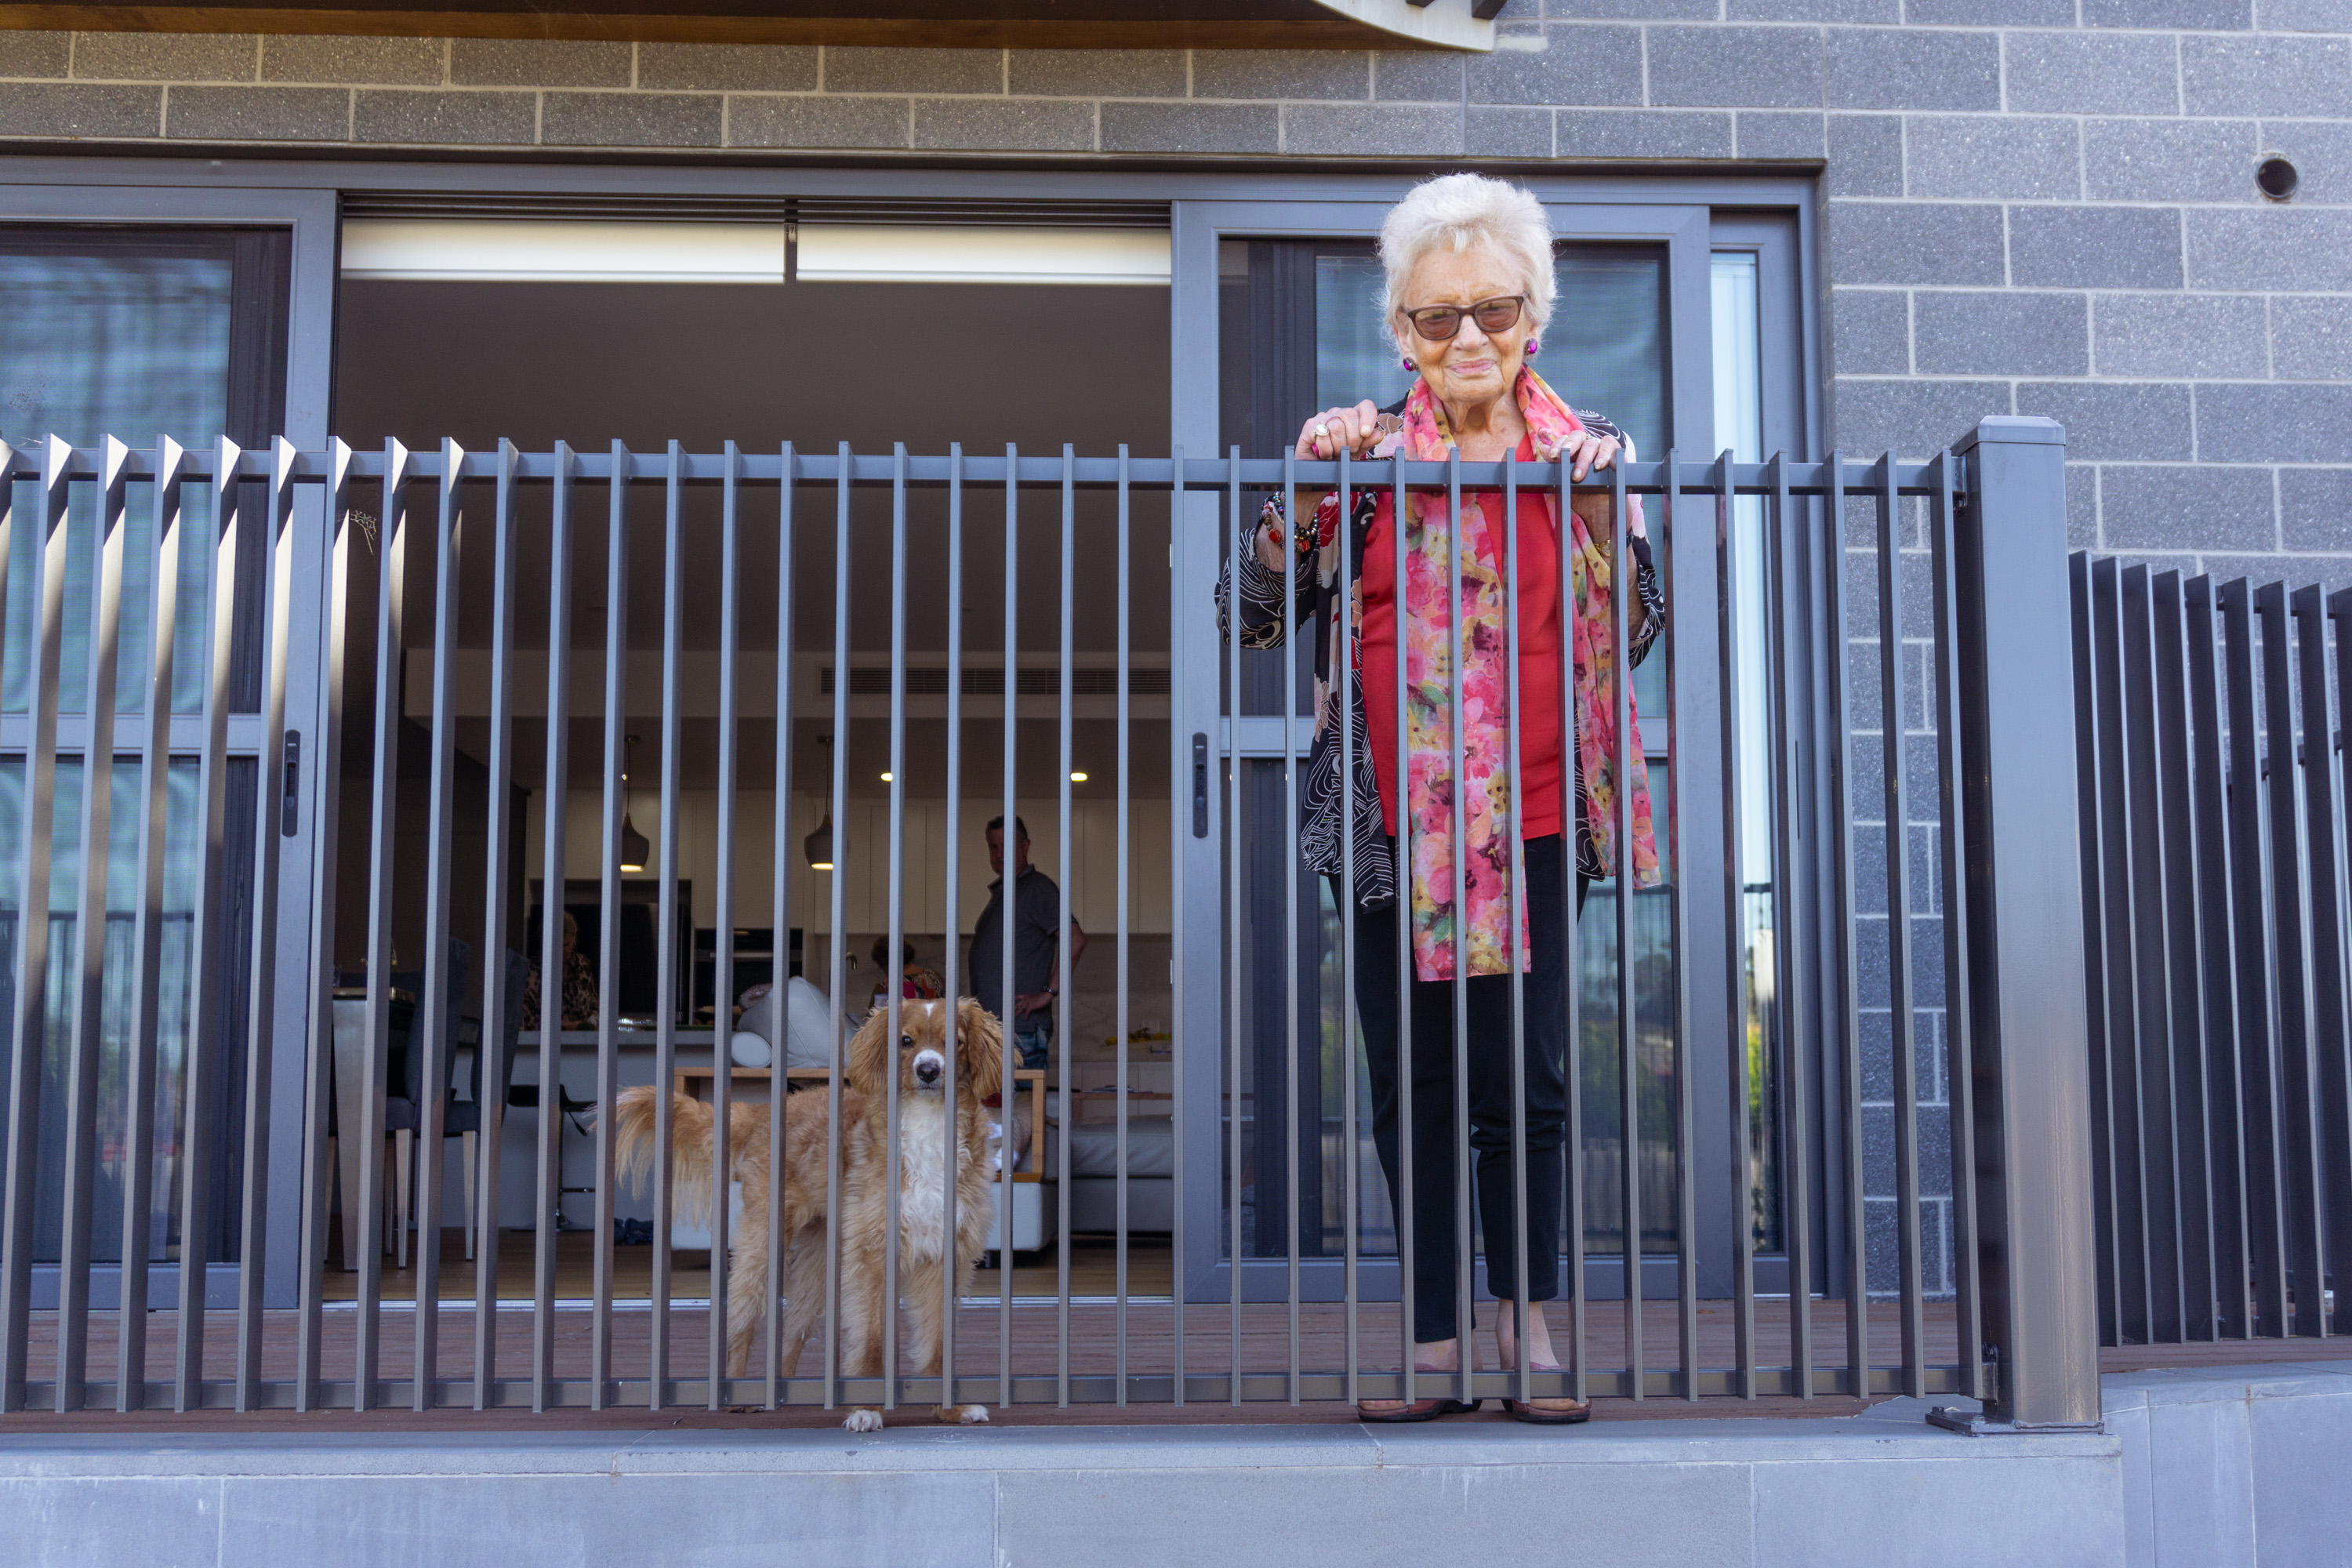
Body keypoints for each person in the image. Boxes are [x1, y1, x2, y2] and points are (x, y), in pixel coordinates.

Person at [1221, 173, 1664, 1425]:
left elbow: (1632, 631)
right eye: (1435, 318)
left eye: (1493, 310)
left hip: (1528, 815)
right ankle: (1430, 1343)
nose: (1467, 336)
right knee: (1408, 1080)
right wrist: (1299, 496)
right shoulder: (1362, 464)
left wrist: (1598, 507)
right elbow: (1247, 616)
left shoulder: (1581, 459)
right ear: (1400, 334)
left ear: (1536, 319)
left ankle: (1528, 1324)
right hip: (1387, 820)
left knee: (1523, 1082)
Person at [967, 815, 1087, 1074]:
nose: (999, 854)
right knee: (1002, 1113)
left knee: (1021, 1111)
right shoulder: (1005, 892)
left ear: (1025, 846)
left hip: (1020, 1034)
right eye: (993, 847)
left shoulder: (1036, 888)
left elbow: (1075, 939)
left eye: (1006, 846)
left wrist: (1047, 993)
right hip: (999, 1033)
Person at [522, 909, 597, 1033]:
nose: (561, 951)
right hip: (543, 1045)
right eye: (555, 945)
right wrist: (572, 1026)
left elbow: (595, 1007)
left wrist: (590, 1024)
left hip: (583, 1045)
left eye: (566, 945)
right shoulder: (531, 970)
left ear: (574, 940)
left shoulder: (582, 964)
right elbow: (529, 1021)